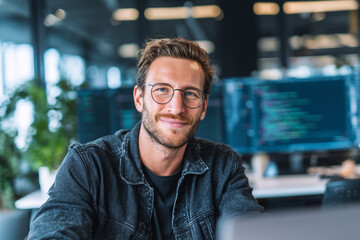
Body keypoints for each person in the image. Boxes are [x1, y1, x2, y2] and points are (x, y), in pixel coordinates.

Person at [28, 37, 263, 240]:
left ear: (203, 107)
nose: (176, 107)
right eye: (162, 89)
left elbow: (251, 231)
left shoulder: (222, 166)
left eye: (190, 93)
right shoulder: (88, 166)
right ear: (139, 99)